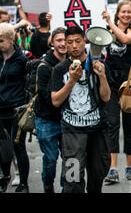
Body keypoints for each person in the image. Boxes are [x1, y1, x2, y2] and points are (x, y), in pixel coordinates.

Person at [49, 26, 111, 193]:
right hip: (72, 132)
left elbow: (106, 97)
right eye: (70, 42)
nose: (74, 46)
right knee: (73, 179)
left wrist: (102, 77)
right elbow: (55, 101)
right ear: (66, 46)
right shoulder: (60, 69)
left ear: (85, 42)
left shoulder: (98, 64)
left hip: (97, 130)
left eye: (78, 41)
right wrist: (71, 81)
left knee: (98, 174)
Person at [102, 1, 131, 183]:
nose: (126, 15)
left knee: (130, 126)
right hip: (110, 85)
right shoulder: (106, 32)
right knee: (113, 125)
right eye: (123, 12)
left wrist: (110, 23)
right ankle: (113, 167)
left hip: (129, 85)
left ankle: (129, 165)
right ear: (118, 13)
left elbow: (125, 40)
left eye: (129, 12)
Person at [34, 27, 68, 193]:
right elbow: (49, 100)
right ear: (52, 44)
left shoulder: (73, 63)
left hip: (68, 120)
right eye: (59, 40)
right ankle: (48, 186)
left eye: (65, 40)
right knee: (51, 159)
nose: (63, 44)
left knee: (70, 159)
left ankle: (67, 188)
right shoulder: (44, 67)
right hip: (47, 120)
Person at [0, 22, 30, 193]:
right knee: (2, 147)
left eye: (1, 41)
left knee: (18, 146)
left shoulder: (21, 59)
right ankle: (5, 177)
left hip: (17, 109)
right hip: (0, 109)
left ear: (11, 40)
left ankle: (24, 184)